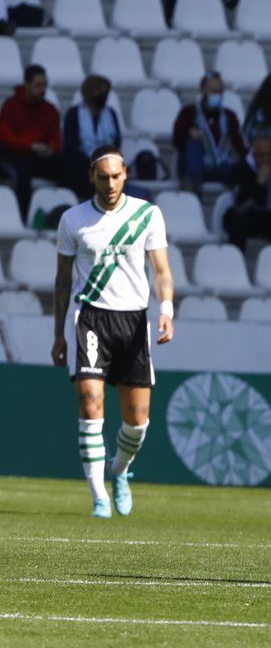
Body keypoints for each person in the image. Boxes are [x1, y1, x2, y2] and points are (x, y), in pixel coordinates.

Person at [51, 146, 175, 519]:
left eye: (116, 176)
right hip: (90, 317)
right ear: (92, 176)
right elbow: (61, 281)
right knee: (90, 403)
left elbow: (162, 271)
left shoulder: (147, 214)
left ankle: (118, 470)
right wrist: (58, 333)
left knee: (137, 420)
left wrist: (166, 310)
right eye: (102, 177)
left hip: (134, 321)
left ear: (126, 174)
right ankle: (98, 495)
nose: (109, 183)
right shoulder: (73, 219)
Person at [0, 65, 64, 214]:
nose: (42, 89)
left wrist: (51, 149)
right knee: (22, 170)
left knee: (66, 165)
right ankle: (23, 216)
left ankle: (62, 213)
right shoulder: (11, 106)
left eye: (44, 85)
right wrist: (31, 146)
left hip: (38, 157)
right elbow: (6, 138)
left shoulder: (50, 110)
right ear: (26, 84)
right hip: (14, 155)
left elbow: (56, 139)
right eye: (38, 85)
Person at [172, 71, 245, 188]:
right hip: (195, 165)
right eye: (213, 91)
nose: (217, 95)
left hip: (221, 166)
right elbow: (176, 141)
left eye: (220, 91)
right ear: (203, 91)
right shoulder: (188, 112)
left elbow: (240, 144)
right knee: (193, 143)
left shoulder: (229, 116)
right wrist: (188, 132)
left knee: (242, 168)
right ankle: (191, 187)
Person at [60, 76, 122, 199]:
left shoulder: (110, 113)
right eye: (100, 91)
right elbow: (71, 143)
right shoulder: (74, 113)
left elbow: (117, 141)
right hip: (81, 163)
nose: (103, 95)